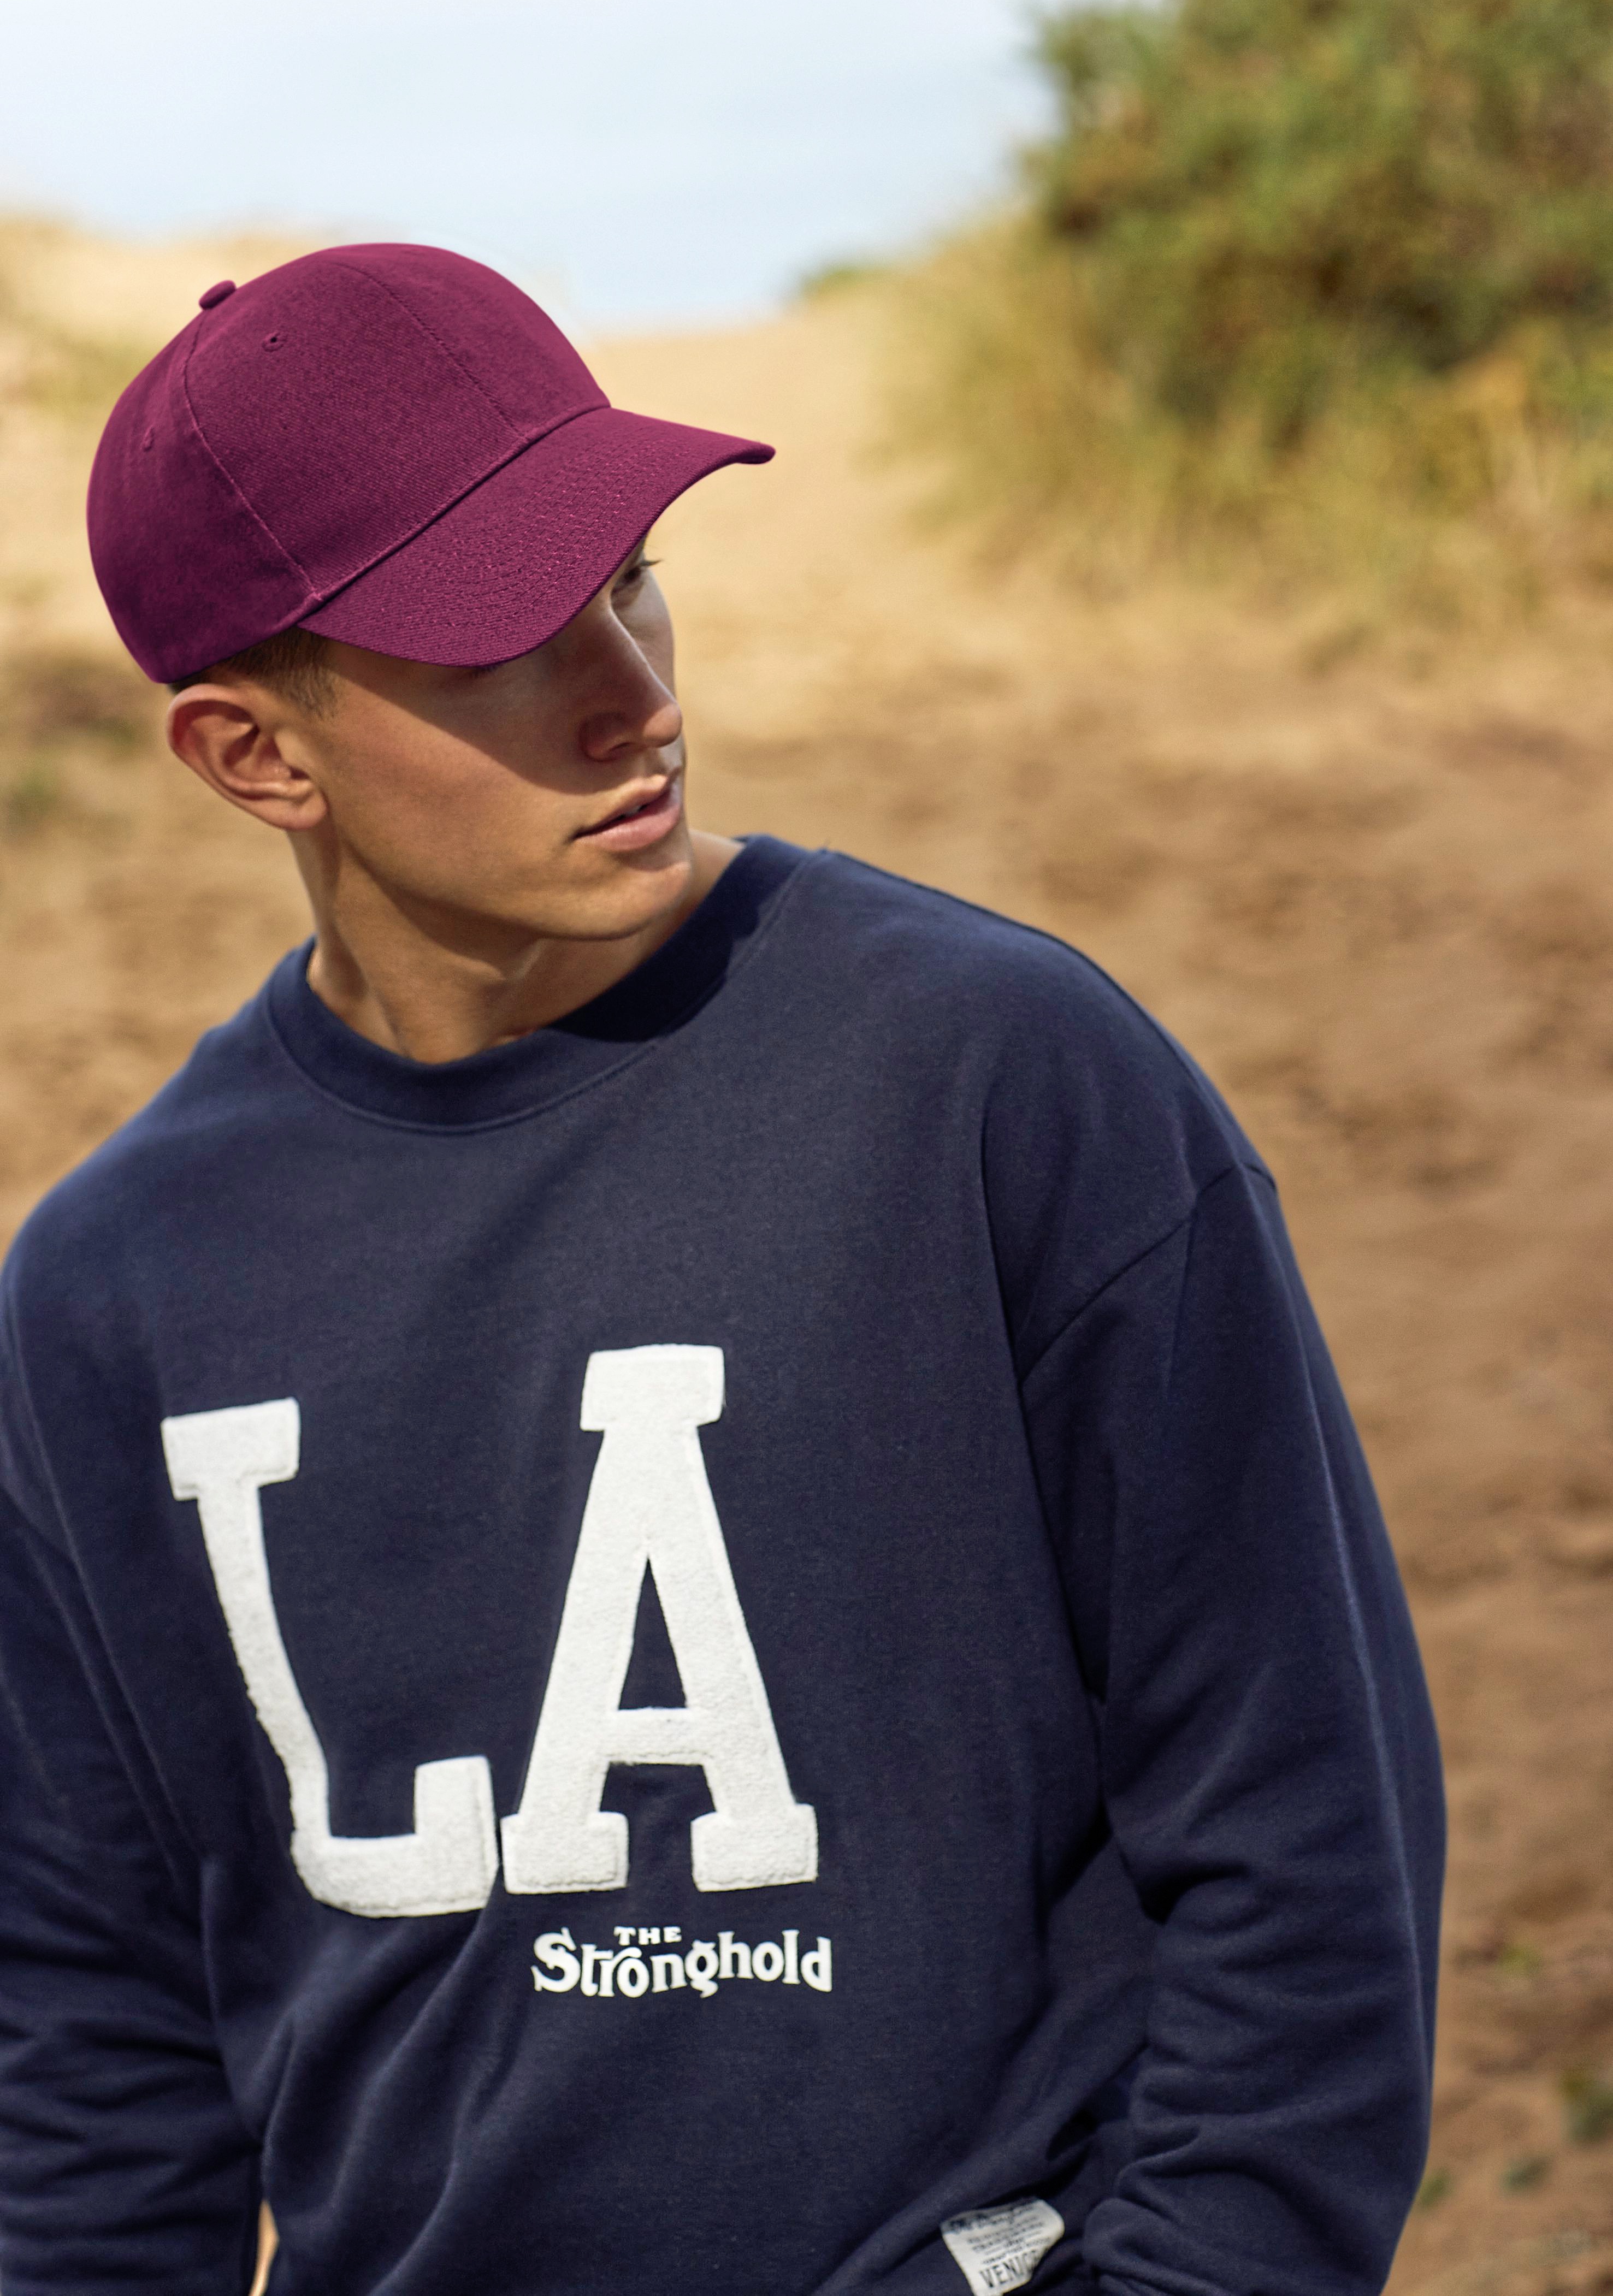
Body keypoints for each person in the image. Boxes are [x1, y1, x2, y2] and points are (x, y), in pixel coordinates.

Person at [0, 244, 1443, 2296]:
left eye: (631, 580)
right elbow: (91, 2053)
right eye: (500, 646)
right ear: (257, 756)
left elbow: (1301, 1846)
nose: (636, 694)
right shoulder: (108, 1299)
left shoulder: (994, 1082)